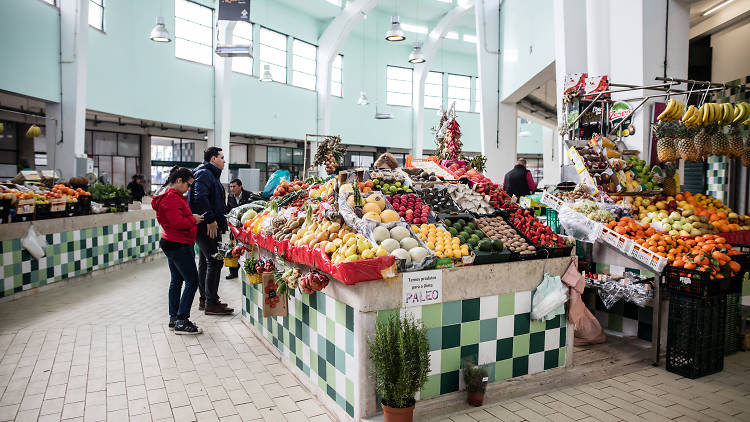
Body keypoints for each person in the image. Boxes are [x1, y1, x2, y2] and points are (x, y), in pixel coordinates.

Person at [151, 166, 203, 335]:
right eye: (188, 185)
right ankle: (182, 320)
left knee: (177, 280)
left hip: (173, 241)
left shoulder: (171, 195)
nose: (189, 189)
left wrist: (189, 218)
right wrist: (193, 219)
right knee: (192, 281)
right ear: (179, 181)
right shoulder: (171, 198)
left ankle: (174, 317)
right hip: (178, 243)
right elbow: (178, 222)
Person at [188, 147, 232, 316]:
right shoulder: (205, 173)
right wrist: (210, 219)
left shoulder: (209, 174)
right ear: (213, 159)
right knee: (215, 261)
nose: (224, 161)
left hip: (206, 225)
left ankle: (205, 299)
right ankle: (211, 303)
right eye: (222, 157)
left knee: (206, 262)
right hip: (206, 226)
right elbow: (200, 197)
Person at [225, 178, 252, 279]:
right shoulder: (230, 196)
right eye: (231, 186)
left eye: (234, 186)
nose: (232, 189)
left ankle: (247, 269)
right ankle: (233, 272)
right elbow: (228, 210)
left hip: (246, 227)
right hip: (234, 227)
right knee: (233, 248)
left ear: (240, 186)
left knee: (246, 248)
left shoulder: (248, 195)